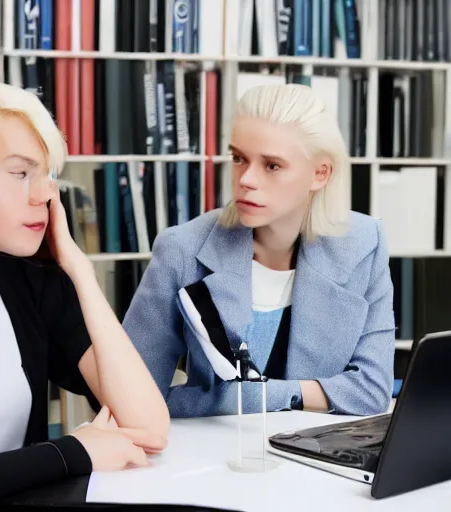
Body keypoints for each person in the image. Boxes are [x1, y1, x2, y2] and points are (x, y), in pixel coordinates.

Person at [0, 81, 170, 511]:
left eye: (47, 175)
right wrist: (69, 453)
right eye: (20, 173)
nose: (45, 194)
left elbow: (149, 429)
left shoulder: (31, 283)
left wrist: (79, 269)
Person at [123, 83, 395, 419]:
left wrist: (255, 394)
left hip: (320, 457)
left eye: (272, 165)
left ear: (320, 173)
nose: (246, 180)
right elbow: (131, 396)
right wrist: (312, 392)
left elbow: (372, 390)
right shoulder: (183, 249)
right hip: (214, 457)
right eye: (239, 158)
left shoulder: (366, 243)